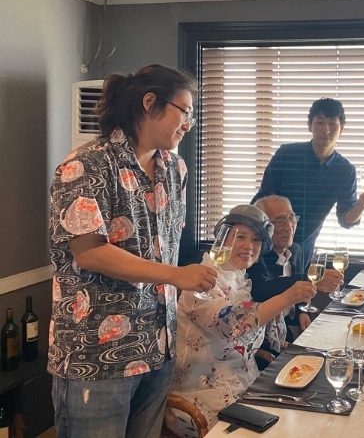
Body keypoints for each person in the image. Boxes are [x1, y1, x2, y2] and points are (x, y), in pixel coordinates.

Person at [48, 64, 218, 438]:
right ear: (150, 102)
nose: (189, 124)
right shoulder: (87, 163)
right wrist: (177, 275)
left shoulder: (175, 168)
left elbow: (165, 247)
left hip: (157, 345)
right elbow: (90, 252)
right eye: (185, 111)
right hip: (97, 356)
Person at [166, 205, 316, 437]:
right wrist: (287, 297)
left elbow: (269, 338)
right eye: (240, 236)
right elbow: (232, 325)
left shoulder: (242, 281)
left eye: (256, 240)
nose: (249, 246)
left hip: (245, 388)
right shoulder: (201, 279)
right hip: (201, 400)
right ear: (221, 239)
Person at [252, 97, 364, 262]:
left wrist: (360, 207)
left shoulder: (345, 170)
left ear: (341, 129)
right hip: (268, 243)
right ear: (309, 125)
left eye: (332, 124)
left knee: (299, 279)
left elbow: (346, 219)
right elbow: (262, 200)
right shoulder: (287, 154)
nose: (326, 130)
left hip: (303, 249)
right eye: (320, 122)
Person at [248, 195, 343, 347]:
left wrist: (301, 311)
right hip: (263, 338)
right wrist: (309, 279)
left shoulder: (296, 250)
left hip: (291, 328)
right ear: (263, 227)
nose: (289, 227)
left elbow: (298, 297)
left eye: (291, 218)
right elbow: (261, 291)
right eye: (280, 220)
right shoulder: (254, 255)